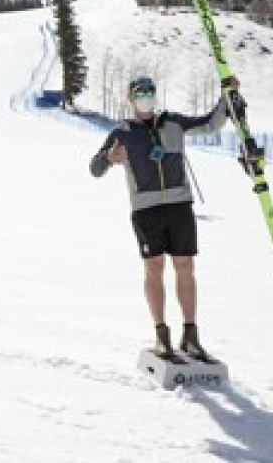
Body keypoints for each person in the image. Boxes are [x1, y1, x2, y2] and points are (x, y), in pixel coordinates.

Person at [88, 75, 236, 361]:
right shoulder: (123, 132)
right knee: (154, 268)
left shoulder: (174, 123)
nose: (146, 96)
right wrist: (109, 158)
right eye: (140, 93)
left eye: (150, 92)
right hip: (145, 209)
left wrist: (226, 98)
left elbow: (211, 123)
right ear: (130, 99)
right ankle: (161, 334)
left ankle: (190, 335)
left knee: (185, 267)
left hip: (179, 205)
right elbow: (94, 168)